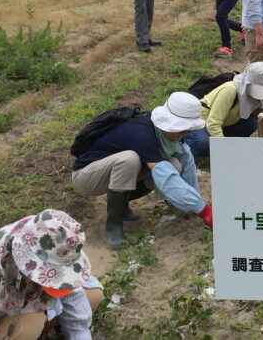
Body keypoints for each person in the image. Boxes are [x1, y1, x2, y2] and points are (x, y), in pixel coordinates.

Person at [71, 92, 214, 249]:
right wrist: (203, 209)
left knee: (173, 164)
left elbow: (186, 163)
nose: (185, 134)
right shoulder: (142, 134)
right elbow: (166, 177)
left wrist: (194, 206)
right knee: (129, 160)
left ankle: (122, 207)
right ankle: (113, 228)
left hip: (111, 173)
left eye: (188, 130)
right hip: (87, 175)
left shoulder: (164, 132)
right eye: (182, 130)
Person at [0, 209, 104, 340]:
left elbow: (74, 301)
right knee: (30, 323)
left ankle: (45, 324)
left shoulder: (55, 243)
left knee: (94, 294)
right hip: (4, 315)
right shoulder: (1, 267)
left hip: (33, 305)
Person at [183, 62, 263, 160]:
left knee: (252, 122)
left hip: (224, 125)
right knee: (203, 142)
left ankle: (213, 151)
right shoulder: (230, 90)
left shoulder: (259, 99)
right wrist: (225, 151)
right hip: (201, 124)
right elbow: (213, 123)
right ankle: (186, 157)